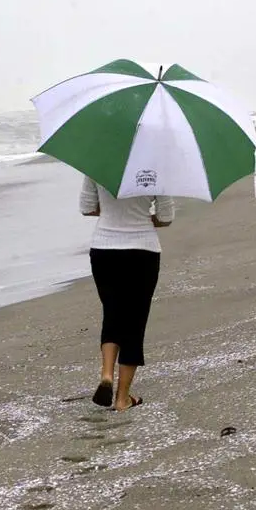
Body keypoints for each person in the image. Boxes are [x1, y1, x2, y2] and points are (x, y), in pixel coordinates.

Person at [79, 175, 175, 412]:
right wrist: (141, 218)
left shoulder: (97, 165)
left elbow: (87, 208)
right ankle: (122, 399)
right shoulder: (157, 169)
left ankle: (106, 375)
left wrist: (114, 213)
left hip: (104, 249)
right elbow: (166, 217)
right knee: (135, 321)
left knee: (112, 313)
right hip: (142, 251)